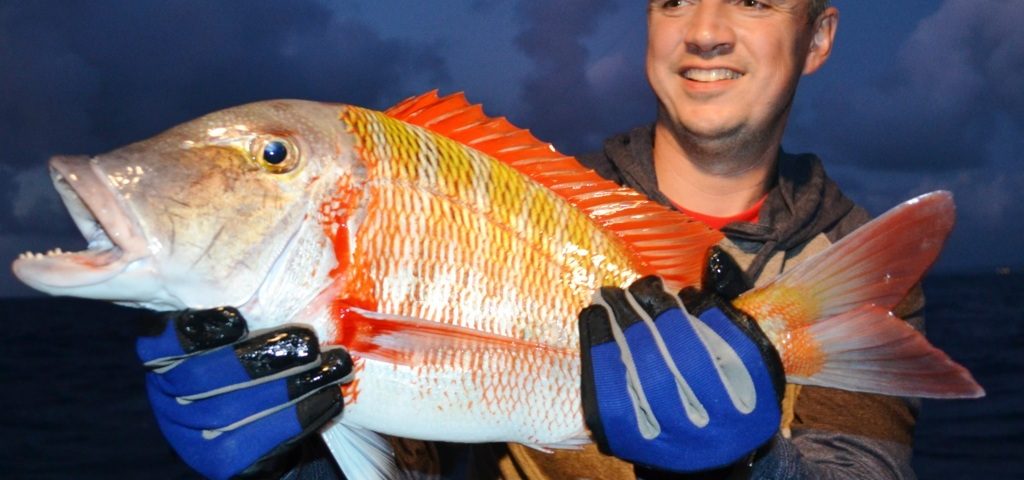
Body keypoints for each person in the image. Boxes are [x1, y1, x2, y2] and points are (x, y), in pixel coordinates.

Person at [139, 0, 924, 478]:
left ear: (819, 38)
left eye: (753, 1)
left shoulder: (842, 255)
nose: (707, 33)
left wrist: (749, 470)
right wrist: (296, 459)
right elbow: (411, 457)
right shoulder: (513, 208)